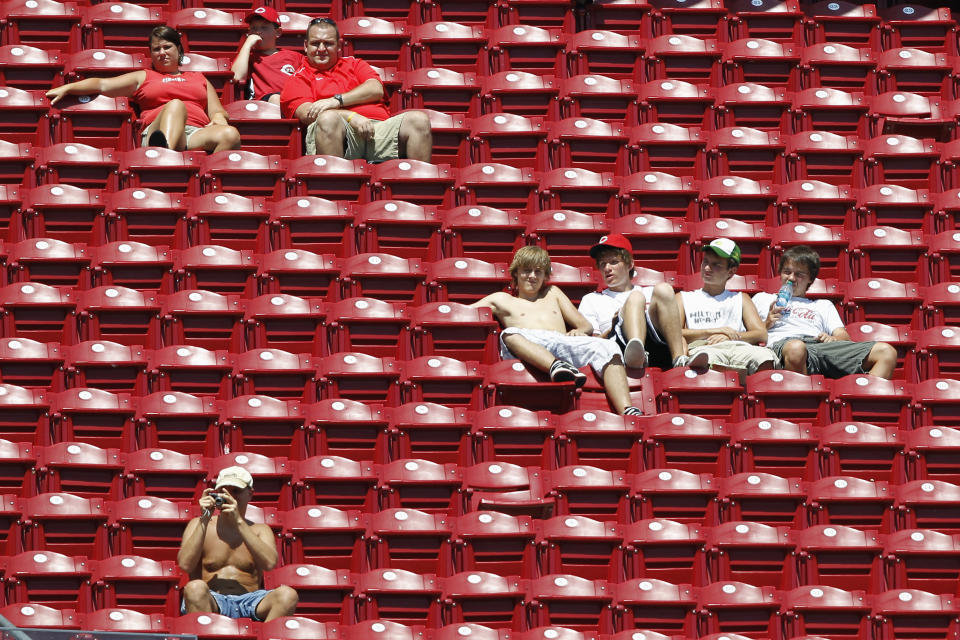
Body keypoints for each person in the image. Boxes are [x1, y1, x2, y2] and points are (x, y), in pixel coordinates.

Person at [470, 246, 643, 416]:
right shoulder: (501, 299)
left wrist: (578, 331)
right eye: (526, 271)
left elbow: (585, 325)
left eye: (538, 272)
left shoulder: (553, 293)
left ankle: (627, 409)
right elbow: (464, 313)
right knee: (508, 334)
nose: (532, 276)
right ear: (516, 273)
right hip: (529, 344)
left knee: (608, 347)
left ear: (545, 275)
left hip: (562, 342)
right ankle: (556, 366)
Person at [46, 26, 240, 152]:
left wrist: (219, 118)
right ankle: (165, 160)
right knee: (176, 106)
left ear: (179, 50)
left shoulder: (199, 78)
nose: (162, 53)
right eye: (156, 49)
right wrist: (69, 87)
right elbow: (102, 84)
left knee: (230, 134)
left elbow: (217, 110)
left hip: (194, 134)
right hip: (159, 130)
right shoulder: (144, 76)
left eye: (167, 47)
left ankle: (206, 185)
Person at [280, 17, 432, 161]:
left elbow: (375, 89)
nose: (321, 49)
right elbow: (308, 114)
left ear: (339, 45)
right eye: (315, 43)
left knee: (419, 120)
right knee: (327, 119)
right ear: (305, 46)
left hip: (378, 130)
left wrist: (337, 101)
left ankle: (419, 187)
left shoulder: (354, 64)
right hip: (338, 133)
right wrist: (351, 117)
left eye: (328, 43)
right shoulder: (297, 79)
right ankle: (334, 186)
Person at [753, 245, 898, 379]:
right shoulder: (763, 299)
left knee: (886, 352)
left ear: (810, 279)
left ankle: (862, 403)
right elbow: (742, 336)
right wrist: (766, 325)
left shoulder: (823, 305)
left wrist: (833, 339)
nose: (791, 278)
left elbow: (843, 337)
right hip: (784, 345)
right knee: (796, 348)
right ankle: (802, 404)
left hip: (819, 346)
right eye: (787, 272)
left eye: (799, 274)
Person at [177, 466, 298, 621]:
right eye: (224, 492)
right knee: (194, 589)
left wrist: (239, 522)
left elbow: (269, 564)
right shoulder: (199, 524)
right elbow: (185, 565)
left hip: (251, 600)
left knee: (288, 595)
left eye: (235, 491)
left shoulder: (260, 530)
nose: (230, 497)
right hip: (212, 599)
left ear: (250, 494)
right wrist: (204, 519)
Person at [578, 233, 705, 372]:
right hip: (617, 351)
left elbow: (674, 332)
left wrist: (680, 342)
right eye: (602, 264)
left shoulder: (651, 293)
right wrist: (612, 327)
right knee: (636, 298)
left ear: (630, 264)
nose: (607, 268)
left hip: (658, 349)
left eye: (614, 262)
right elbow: (591, 345)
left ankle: (678, 359)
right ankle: (638, 356)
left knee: (664, 289)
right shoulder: (591, 299)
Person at [675, 238, 776, 383]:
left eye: (716, 265)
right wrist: (713, 331)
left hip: (738, 347)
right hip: (705, 348)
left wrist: (731, 337)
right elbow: (675, 334)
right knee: (711, 362)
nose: (707, 268)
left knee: (765, 358)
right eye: (706, 262)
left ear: (731, 272)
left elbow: (761, 334)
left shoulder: (741, 298)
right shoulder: (683, 298)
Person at [231, 7, 305, 105]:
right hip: (265, 104)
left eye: (264, 27)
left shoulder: (294, 57)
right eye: (254, 28)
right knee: (276, 98)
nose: (258, 32)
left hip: (293, 100)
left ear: (278, 32)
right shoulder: (249, 57)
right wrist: (247, 44)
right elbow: (237, 76)